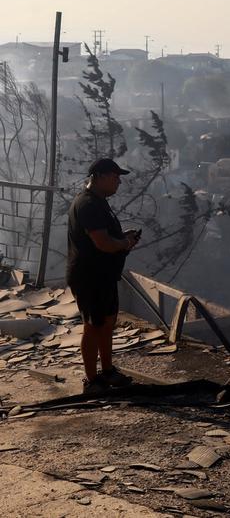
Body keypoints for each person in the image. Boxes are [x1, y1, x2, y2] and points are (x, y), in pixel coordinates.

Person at [67, 158, 141, 393]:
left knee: (107, 323)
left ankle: (107, 370)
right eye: (115, 176)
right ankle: (92, 379)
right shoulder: (88, 204)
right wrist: (124, 242)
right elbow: (102, 243)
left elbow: (108, 237)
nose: (118, 181)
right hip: (90, 277)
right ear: (99, 176)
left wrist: (122, 236)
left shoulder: (100, 203)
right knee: (93, 326)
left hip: (103, 275)